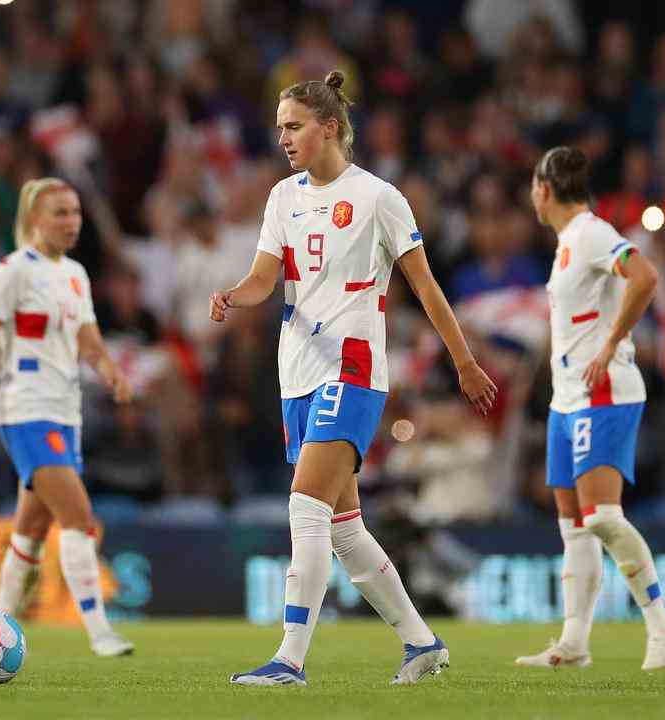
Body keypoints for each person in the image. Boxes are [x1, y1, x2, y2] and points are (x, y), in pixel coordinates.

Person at [211, 70, 497, 687]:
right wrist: (236, 294)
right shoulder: (282, 198)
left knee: (305, 506)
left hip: (354, 366)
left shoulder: (378, 197)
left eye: (294, 126)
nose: (283, 138)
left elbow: (424, 285)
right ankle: (421, 643)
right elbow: (267, 276)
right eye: (280, 127)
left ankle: (289, 659)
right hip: (297, 371)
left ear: (329, 127)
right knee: (344, 527)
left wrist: (464, 360)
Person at [514, 146, 665, 671]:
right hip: (567, 399)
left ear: (543, 190)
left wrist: (612, 342)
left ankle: (662, 628)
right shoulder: (568, 242)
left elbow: (646, 276)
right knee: (574, 526)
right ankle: (574, 642)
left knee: (604, 518)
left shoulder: (591, 233)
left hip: (603, 391)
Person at [0, 177, 135, 657]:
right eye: (59, 213)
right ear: (34, 220)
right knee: (79, 518)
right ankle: (100, 632)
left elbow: (89, 340)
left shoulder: (76, 275)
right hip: (25, 409)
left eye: (75, 212)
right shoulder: (13, 271)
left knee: (31, 530)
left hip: (65, 412)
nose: (70, 222)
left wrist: (109, 372)